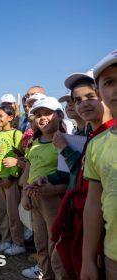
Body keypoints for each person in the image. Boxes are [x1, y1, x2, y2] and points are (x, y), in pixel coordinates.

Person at [51, 68, 113, 279]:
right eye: (77, 100)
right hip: (82, 222)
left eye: (90, 97)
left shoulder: (109, 136)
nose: (83, 104)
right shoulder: (92, 138)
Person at [20, 97, 68, 279]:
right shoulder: (34, 144)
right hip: (35, 198)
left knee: (54, 241)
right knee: (40, 240)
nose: (42, 118)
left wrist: (53, 187)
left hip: (53, 199)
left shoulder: (64, 142)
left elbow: (69, 174)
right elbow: (29, 171)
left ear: (59, 116)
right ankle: (45, 274)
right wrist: (25, 195)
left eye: (47, 113)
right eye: (38, 115)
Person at [82, 50, 117, 280]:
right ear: (100, 92)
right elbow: (93, 205)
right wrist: (87, 260)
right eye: (110, 81)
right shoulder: (97, 145)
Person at [0, 104, 25, 256]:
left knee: (13, 212)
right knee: (1, 212)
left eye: (1, 116)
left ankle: (17, 242)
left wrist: (11, 177)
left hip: (10, 180)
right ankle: (5, 240)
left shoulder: (17, 134)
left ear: (10, 118)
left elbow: (21, 158)